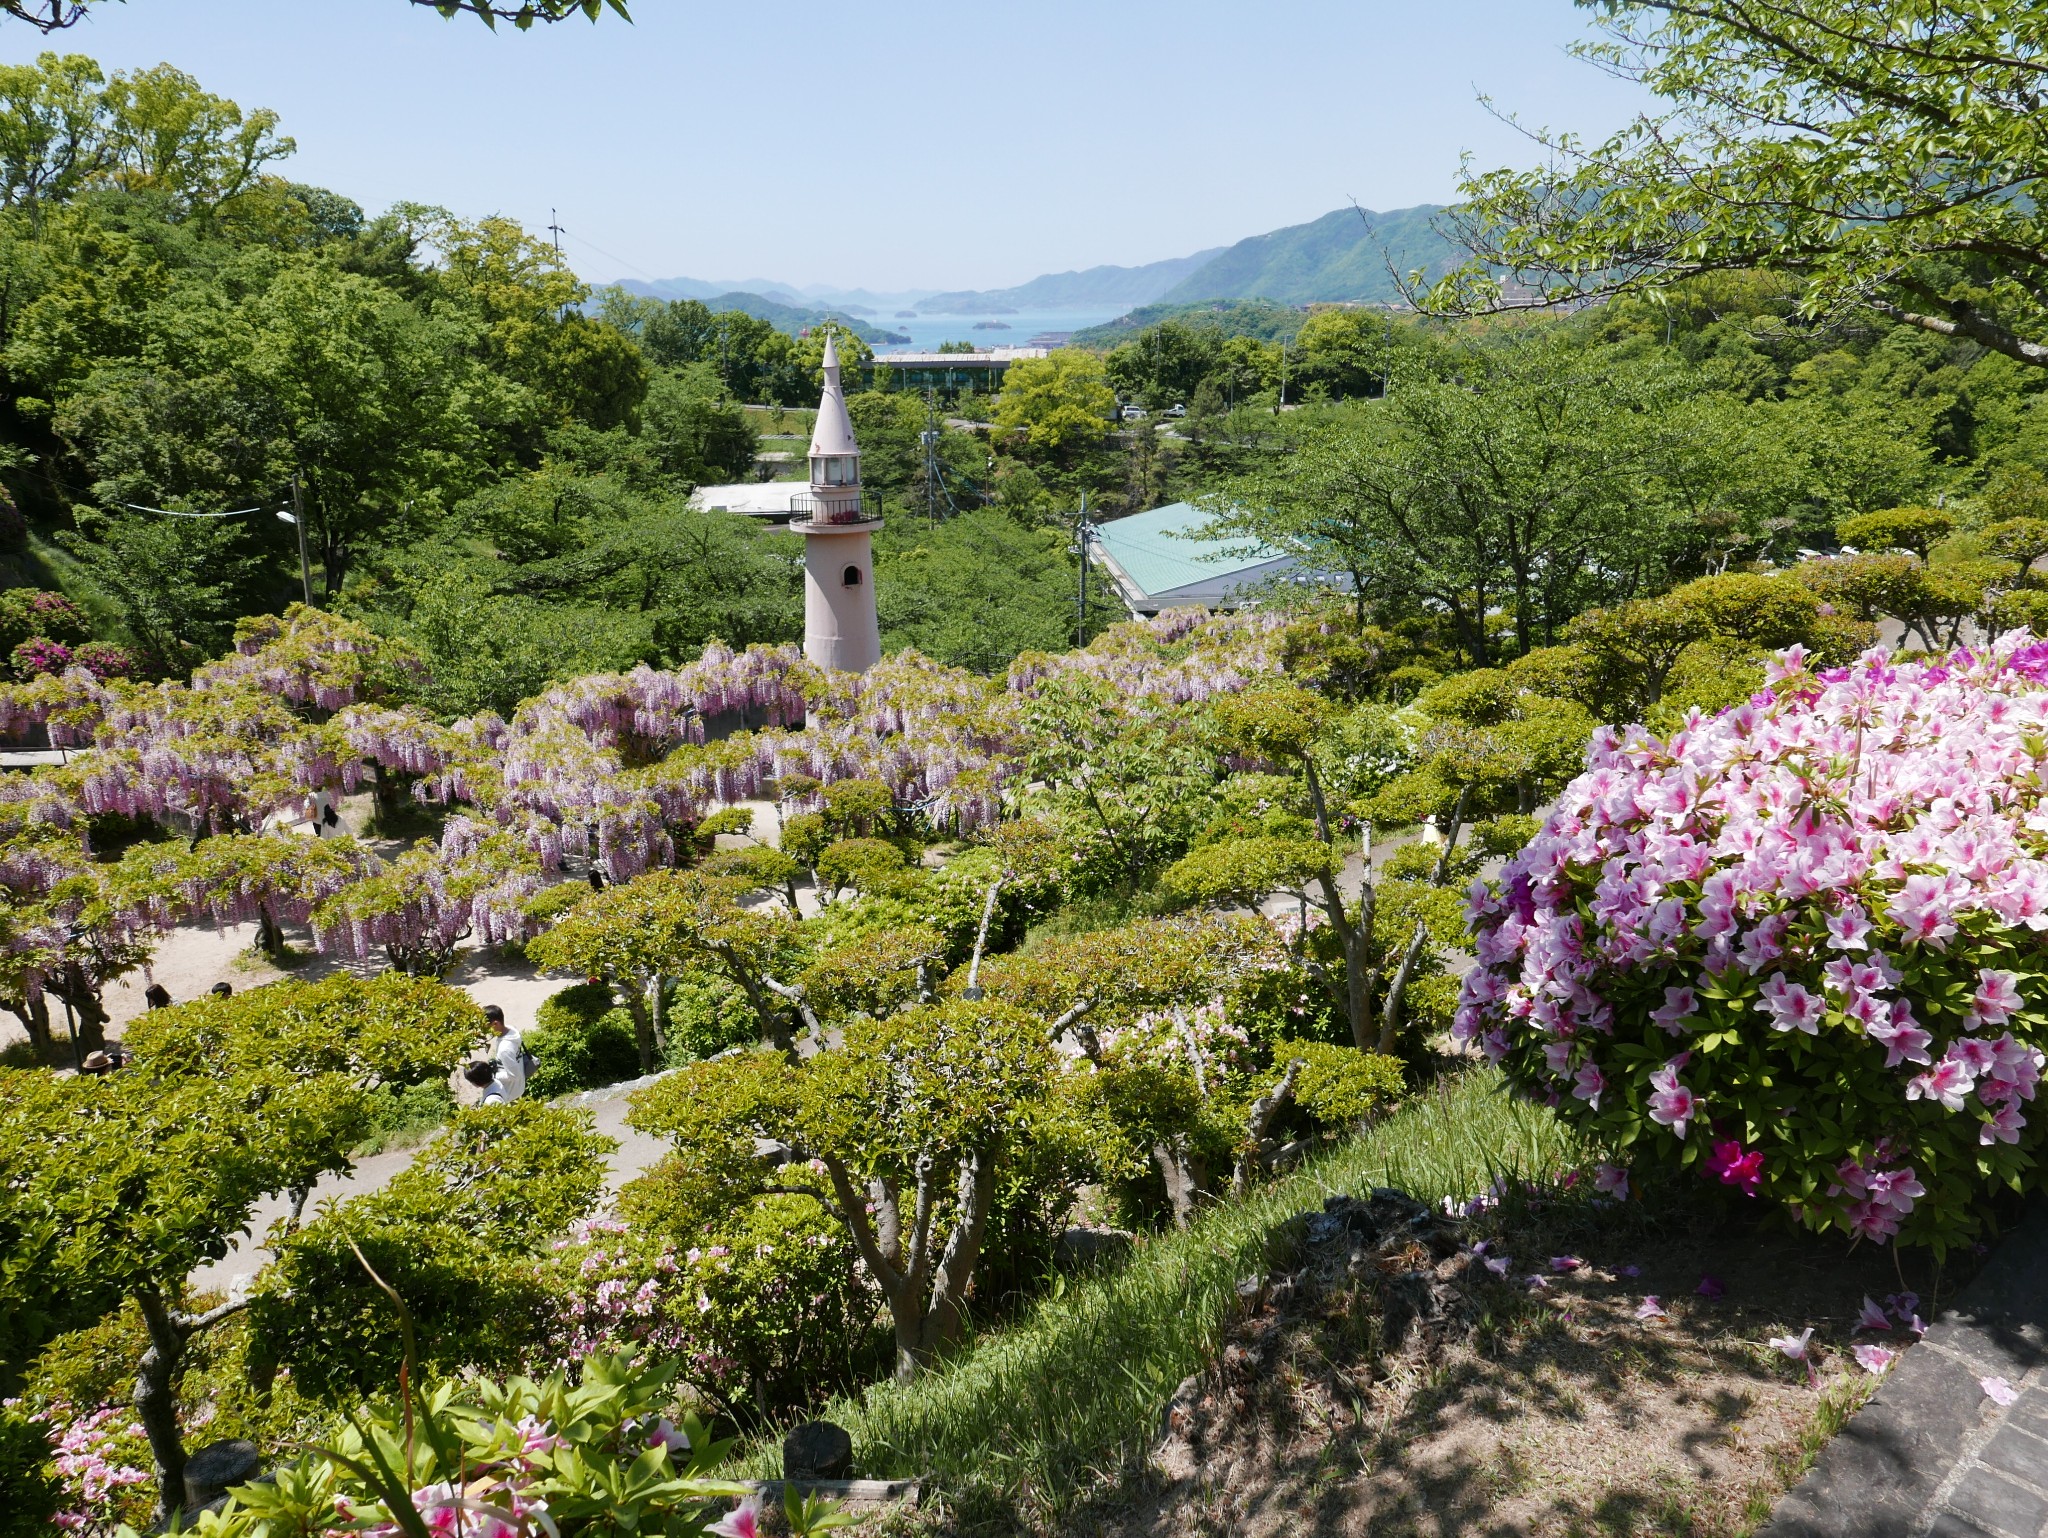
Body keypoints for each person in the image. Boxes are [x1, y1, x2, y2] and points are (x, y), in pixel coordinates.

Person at [479, 1003, 529, 1104]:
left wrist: (493, 1074)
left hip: (509, 1093)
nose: (485, 1030)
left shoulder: (505, 1049)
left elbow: (515, 1076)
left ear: (495, 1024)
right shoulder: (511, 1030)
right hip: (518, 1087)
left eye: (487, 1026)